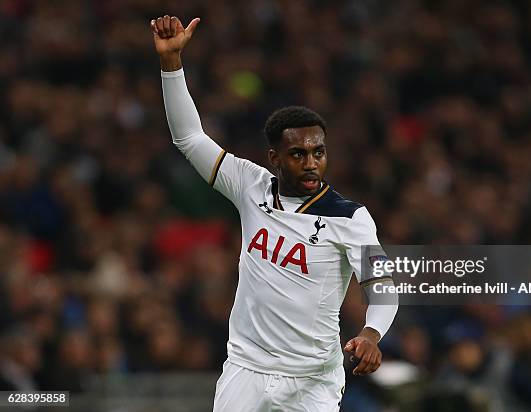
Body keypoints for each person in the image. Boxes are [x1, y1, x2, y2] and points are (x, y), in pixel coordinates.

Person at [150, 15, 398, 411]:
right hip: (245, 368)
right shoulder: (251, 185)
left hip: (312, 378)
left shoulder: (351, 218)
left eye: (318, 152)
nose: (312, 163)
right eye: (298, 154)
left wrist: (370, 333)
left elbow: (383, 287)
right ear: (275, 158)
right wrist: (171, 63)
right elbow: (189, 137)